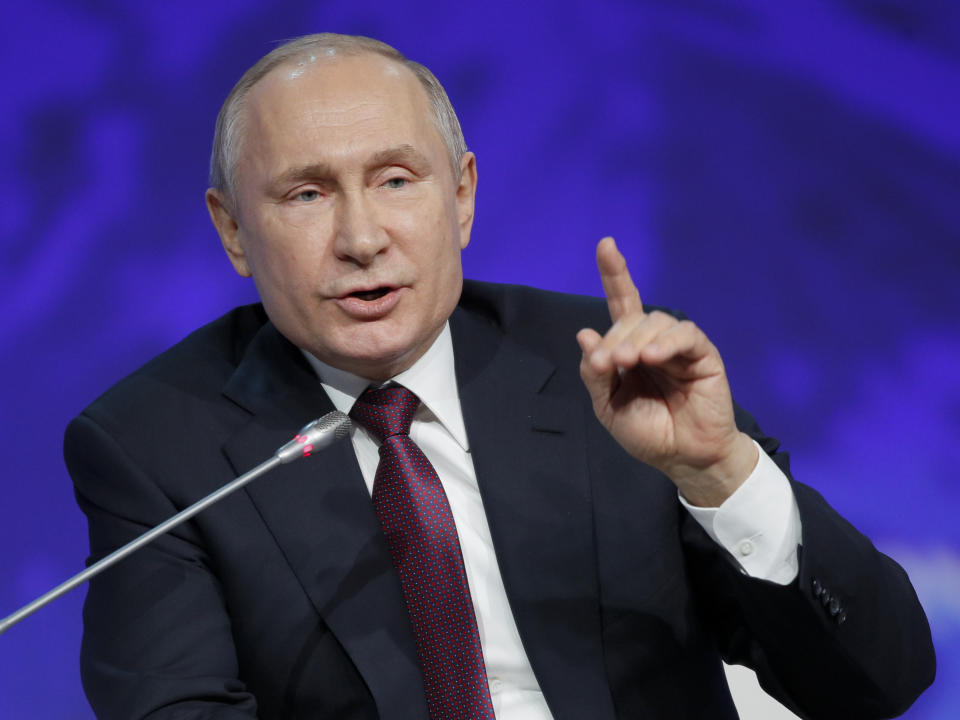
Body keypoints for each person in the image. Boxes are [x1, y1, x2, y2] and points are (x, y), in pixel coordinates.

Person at [65, 33, 935, 720]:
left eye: (397, 179)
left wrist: (719, 473)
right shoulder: (155, 445)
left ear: (464, 196)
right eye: (306, 195)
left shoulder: (610, 373)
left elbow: (880, 683)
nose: (363, 238)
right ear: (230, 231)